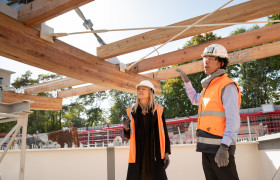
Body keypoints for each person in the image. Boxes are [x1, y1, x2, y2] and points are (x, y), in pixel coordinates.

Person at [176, 44, 241, 180]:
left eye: (211, 58)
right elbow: (195, 99)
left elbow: (233, 120)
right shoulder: (209, 87)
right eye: (205, 58)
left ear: (221, 62)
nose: (206, 61)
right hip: (207, 149)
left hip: (220, 149)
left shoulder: (227, 86)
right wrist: (187, 81)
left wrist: (224, 147)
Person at [123, 80, 171, 180]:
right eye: (139, 89)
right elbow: (129, 136)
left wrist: (166, 153)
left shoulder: (158, 110)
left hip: (155, 153)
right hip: (138, 154)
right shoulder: (132, 111)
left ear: (150, 92)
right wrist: (126, 129)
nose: (140, 91)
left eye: (143, 89)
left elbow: (164, 133)